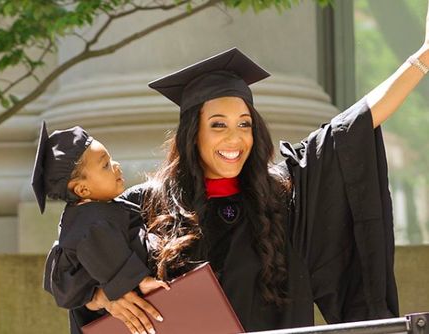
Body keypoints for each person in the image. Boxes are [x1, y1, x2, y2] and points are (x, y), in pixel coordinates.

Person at [59, 3, 429, 333]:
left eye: (245, 123)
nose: (235, 138)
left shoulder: (284, 196)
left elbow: (351, 129)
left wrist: (421, 60)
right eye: (218, 125)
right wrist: (103, 296)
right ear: (193, 135)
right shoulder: (146, 206)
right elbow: (65, 269)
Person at [31, 122, 168, 334]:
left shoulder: (101, 209)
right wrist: (143, 281)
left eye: (111, 159)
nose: (117, 165)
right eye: (105, 165)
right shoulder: (90, 220)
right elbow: (108, 254)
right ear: (83, 189)